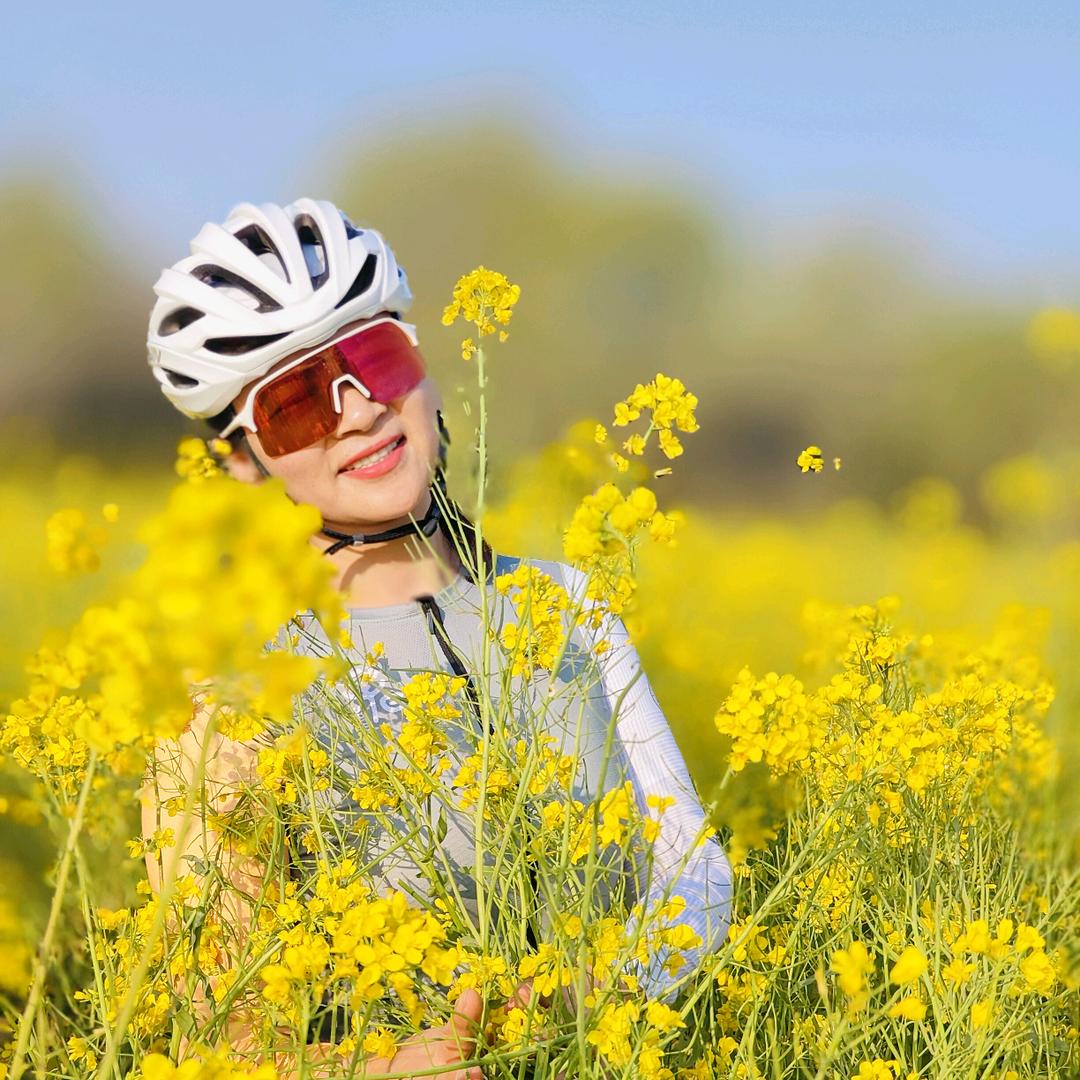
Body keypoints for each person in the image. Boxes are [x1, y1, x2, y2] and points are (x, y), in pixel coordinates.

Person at [141, 197, 732, 1077]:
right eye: (296, 404)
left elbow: (697, 875)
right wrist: (387, 1069)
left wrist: (586, 996)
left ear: (424, 370)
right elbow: (218, 1036)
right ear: (242, 461)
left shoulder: (569, 602)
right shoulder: (227, 688)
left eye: (373, 357)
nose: (355, 410)